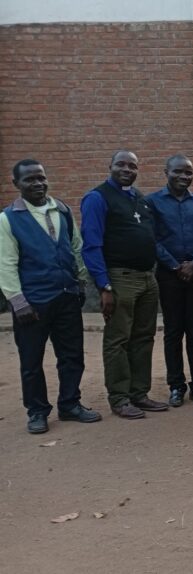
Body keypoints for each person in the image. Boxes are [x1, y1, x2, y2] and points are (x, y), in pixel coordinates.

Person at [1, 159, 100, 434]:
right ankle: (37, 411)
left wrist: (81, 283)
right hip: (32, 303)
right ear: (16, 184)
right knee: (31, 360)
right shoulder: (8, 219)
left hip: (66, 296)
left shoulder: (62, 210)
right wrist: (18, 302)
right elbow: (6, 264)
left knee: (72, 355)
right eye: (30, 179)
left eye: (41, 178)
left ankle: (70, 404)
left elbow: (76, 247)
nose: (38, 183)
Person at [81, 150, 168, 419]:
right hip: (120, 278)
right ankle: (119, 398)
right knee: (118, 339)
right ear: (110, 166)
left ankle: (139, 393)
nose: (127, 169)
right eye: (121, 164)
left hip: (147, 278)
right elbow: (91, 244)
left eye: (132, 165)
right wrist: (104, 286)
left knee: (143, 337)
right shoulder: (97, 198)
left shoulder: (139, 198)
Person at [146, 154, 193, 407]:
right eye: (178, 171)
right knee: (173, 332)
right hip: (169, 275)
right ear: (166, 172)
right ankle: (176, 385)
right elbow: (152, 239)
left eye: (188, 172)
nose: (184, 176)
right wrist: (175, 266)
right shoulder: (152, 202)